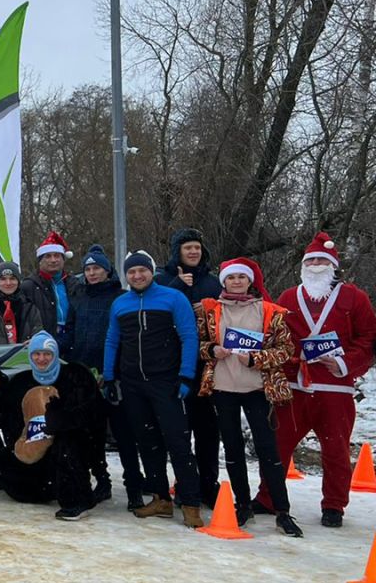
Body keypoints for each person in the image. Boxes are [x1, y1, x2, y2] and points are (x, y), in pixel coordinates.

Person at [253, 233, 376, 528]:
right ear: (304, 266)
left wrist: (344, 362)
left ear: (333, 265)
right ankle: (268, 496)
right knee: (278, 445)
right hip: (294, 387)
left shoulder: (353, 298)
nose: (317, 265)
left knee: (335, 449)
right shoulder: (288, 298)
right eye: (311, 261)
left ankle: (334, 505)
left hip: (335, 388)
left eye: (322, 260)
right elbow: (273, 335)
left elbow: (369, 338)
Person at [195, 258, 302, 536]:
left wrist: (256, 358)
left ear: (250, 282)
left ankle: (282, 510)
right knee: (232, 449)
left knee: (269, 450)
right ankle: (242, 504)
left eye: (242, 278)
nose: (237, 282)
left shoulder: (269, 311)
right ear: (224, 282)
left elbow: (285, 350)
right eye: (231, 278)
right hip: (223, 388)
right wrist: (212, 350)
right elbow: (198, 344)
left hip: (257, 389)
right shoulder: (210, 310)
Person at [103, 250, 203, 527]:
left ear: (151, 271)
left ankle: (191, 502)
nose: (137, 275)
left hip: (167, 382)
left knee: (178, 442)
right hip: (133, 384)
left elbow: (188, 336)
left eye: (141, 271)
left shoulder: (173, 298)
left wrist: (186, 376)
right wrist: (110, 377)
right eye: (131, 272)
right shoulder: (120, 303)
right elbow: (112, 340)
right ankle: (161, 498)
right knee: (147, 442)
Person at [0, 331, 105, 519]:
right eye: (36, 354)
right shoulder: (22, 381)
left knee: (66, 446)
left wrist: (59, 420)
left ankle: (77, 501)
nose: (41, 359)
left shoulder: (74, 376)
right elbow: (2, 414)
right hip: (34, 448)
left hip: (67, 448)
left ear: (55, 355)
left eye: (47, 354)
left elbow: (90, 414)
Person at [155, 227, 223, 506]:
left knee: (208, 430)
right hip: (174, 365)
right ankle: (186, 484)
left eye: (196, 247)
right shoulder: (164, 280)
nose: (193, 252)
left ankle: (209, 484)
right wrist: (179, 286)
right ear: (177, 252)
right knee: (179, 432)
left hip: (207, 365)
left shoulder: (214, 282)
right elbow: (158, 310)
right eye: (187, 248)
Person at [63, 243, 123, 503]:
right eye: (88, 268)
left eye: (97, 268)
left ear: (107, 271)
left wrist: (114, 369)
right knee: (82, 428)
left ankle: (114, 479)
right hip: (80, 370)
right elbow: (69, 330)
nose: (92, 273)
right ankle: (88, 476)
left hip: (108, 371)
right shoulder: (78, 297)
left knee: (104, 429)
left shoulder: (118, 298)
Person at [20, 231, 78, 347]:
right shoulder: (29, 286)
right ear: (40, 261)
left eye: (57, 256)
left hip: (72, 342)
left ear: (63, 259)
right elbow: (24, 318)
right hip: (42, 344)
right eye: (48, 256)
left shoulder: (75, 284)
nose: (53, 260)